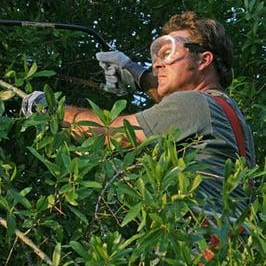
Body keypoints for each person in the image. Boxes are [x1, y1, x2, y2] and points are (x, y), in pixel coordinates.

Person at [22, 11, 255, 214]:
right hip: (227, 252)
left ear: (204, 60)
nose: (157, 64)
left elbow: (109, 133)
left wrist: (50, 109)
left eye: (168, 53)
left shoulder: (193, 104)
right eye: (157, 56)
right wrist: (135, 73)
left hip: (200, 255)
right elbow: (173, 104)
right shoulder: (225, 109)